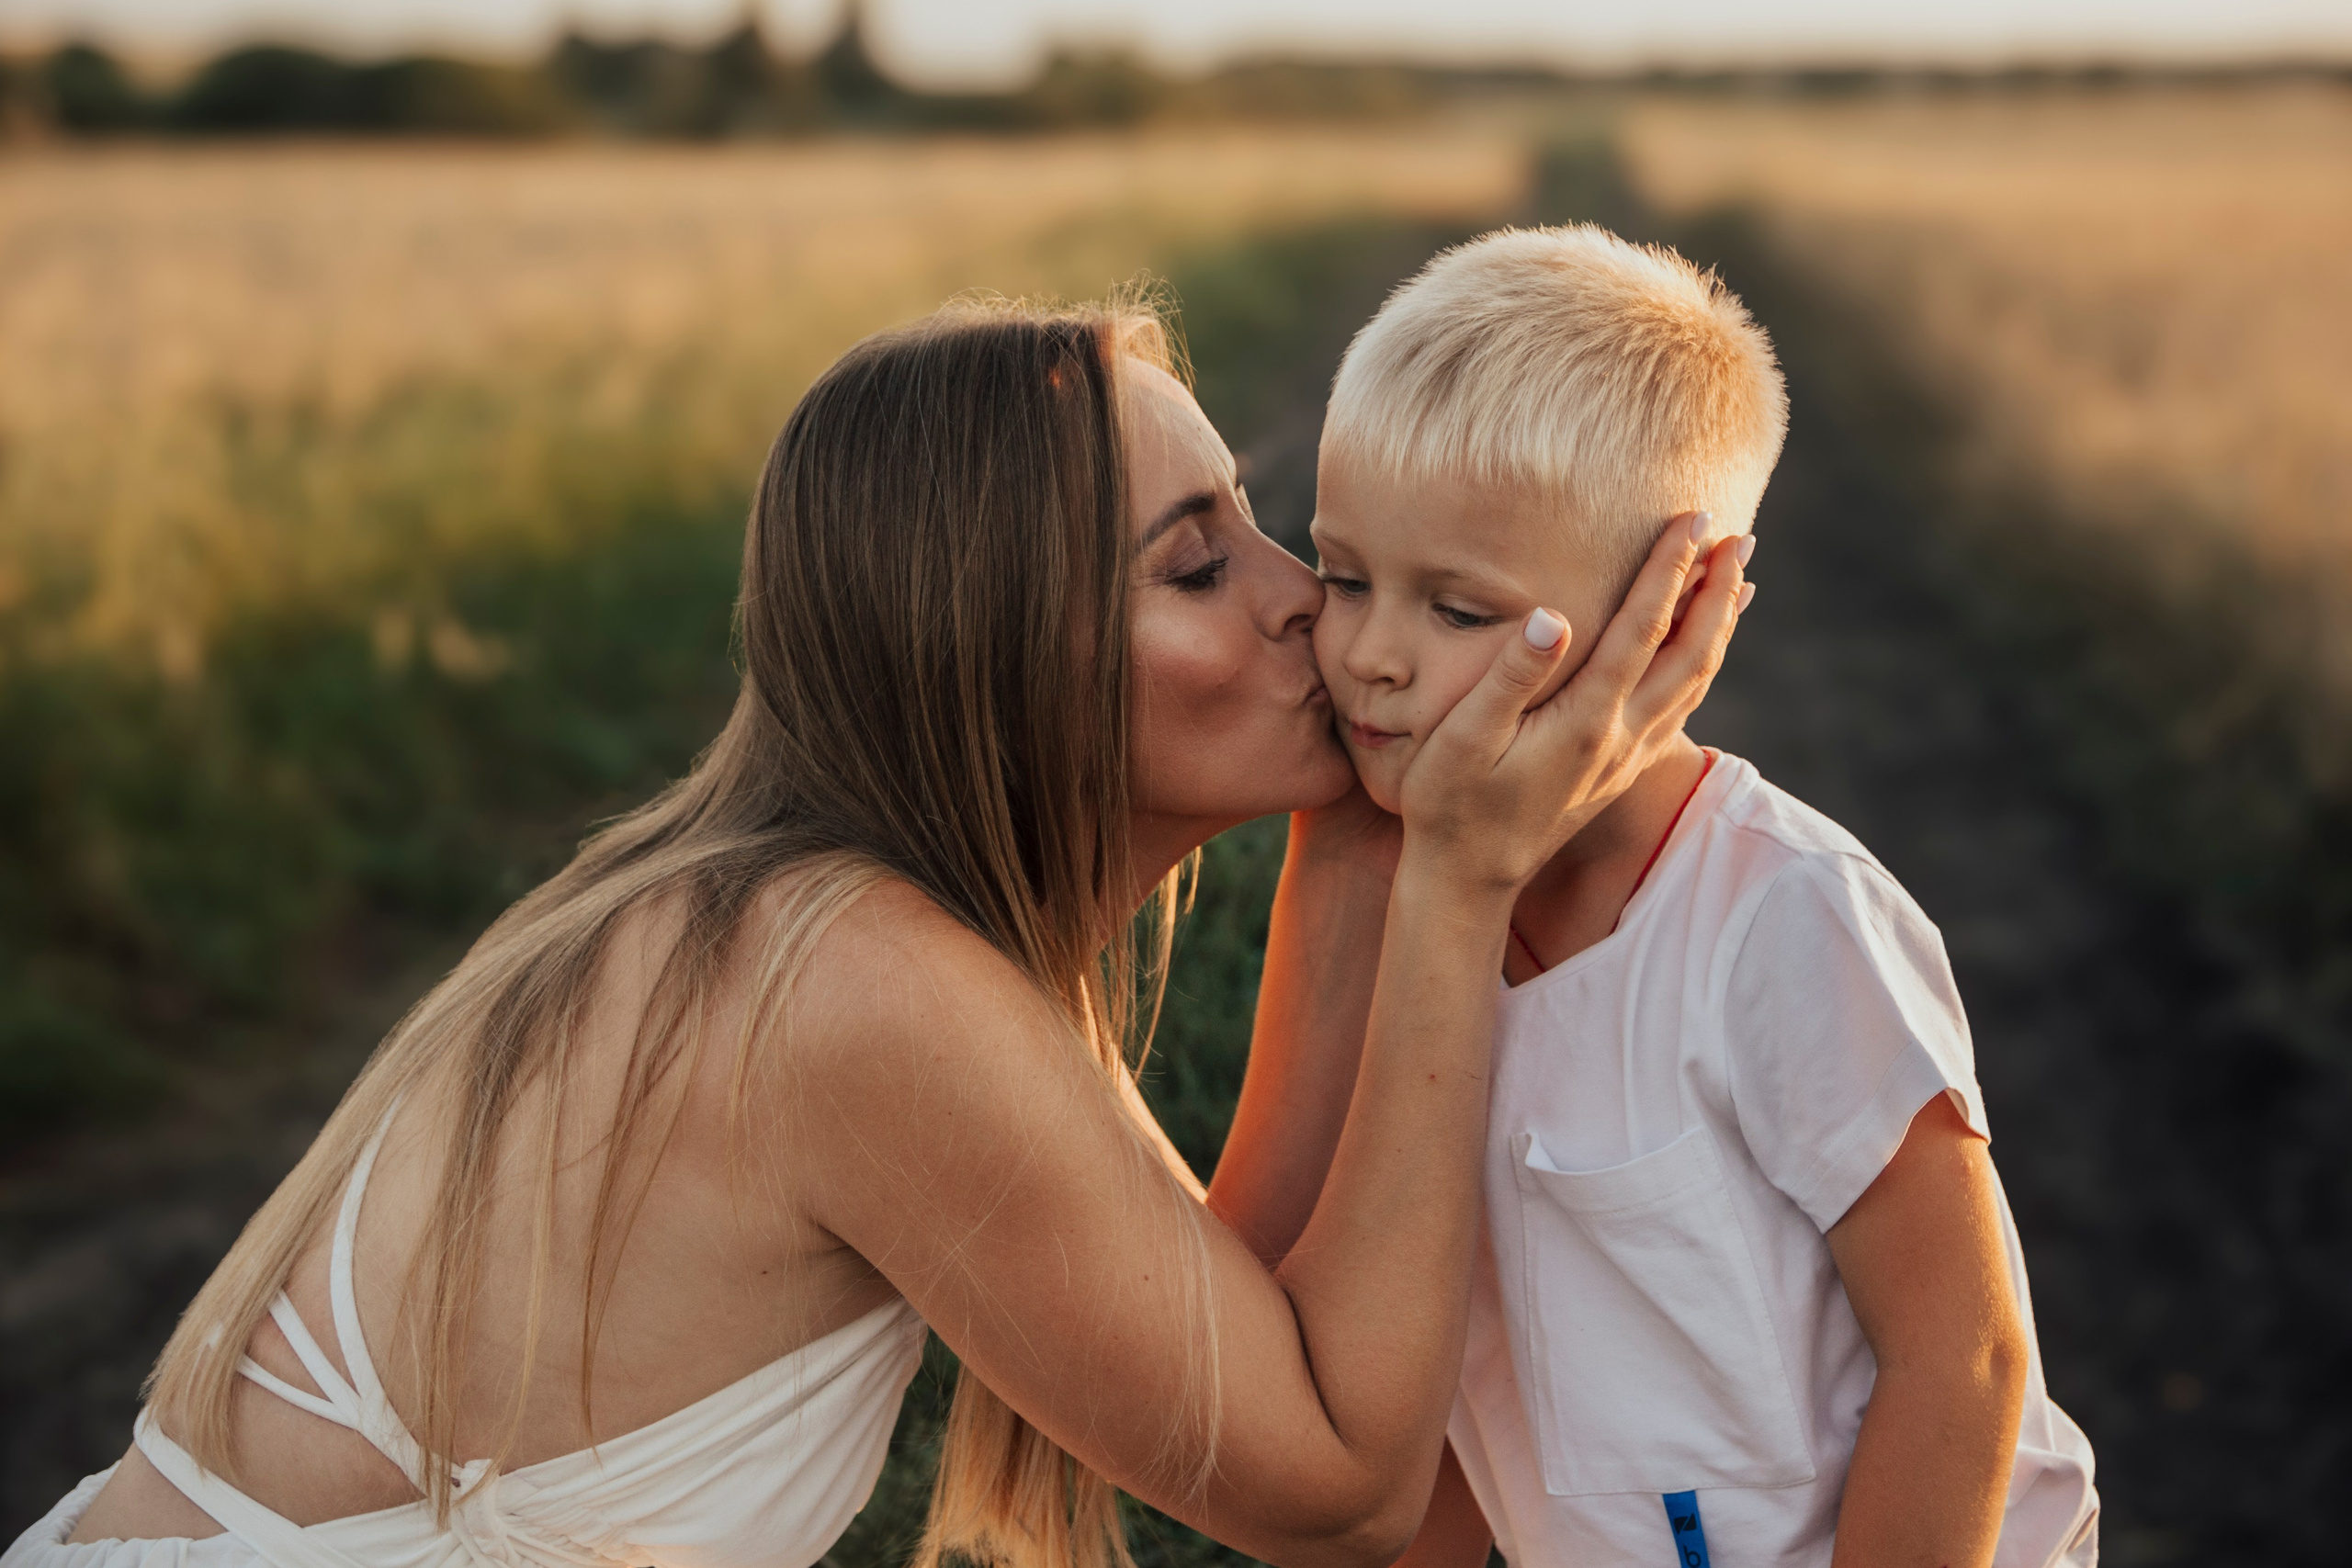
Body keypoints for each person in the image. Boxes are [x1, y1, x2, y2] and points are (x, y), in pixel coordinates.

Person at [6, 295, 1748, 1568]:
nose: (1313, 601)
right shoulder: (844, 985)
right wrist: (1452, 884)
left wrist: (1366, 859)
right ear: (997, 652)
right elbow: (1341, 1488)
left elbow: (1250, 1341)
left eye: (1261, 527)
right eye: (1198, 564)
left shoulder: (806, 924)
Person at [1286, 227, 2099, 1568]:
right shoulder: (1411, 927)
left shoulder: (1782, 917)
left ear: (1671, 617)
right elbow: (1413, 1393)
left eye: (1459, 610)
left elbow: (1962, 1353)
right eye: (1343, 577)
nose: (1370, 655)